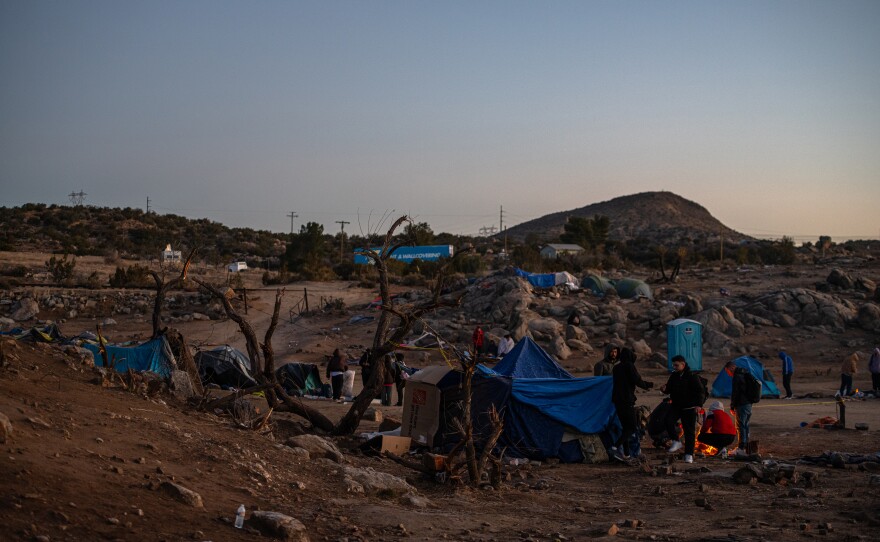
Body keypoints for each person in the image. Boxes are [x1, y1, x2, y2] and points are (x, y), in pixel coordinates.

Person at [611, 347, 653, 460]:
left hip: (617, 401)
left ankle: (627, 454)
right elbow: (637, 380)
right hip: (627, 401)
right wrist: (649, 385)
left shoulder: (616, 368)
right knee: (632, 428)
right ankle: (615, 447)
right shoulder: (629, 366)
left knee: (625, 428)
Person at [660, 355, 703, 464]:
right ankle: (676, 440)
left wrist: (698, 405)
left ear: (683, 364)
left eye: (676, 365)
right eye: (673, 365)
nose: (674, 367)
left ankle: (689, 454)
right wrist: (664, 390)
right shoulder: (674, 376)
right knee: (667, 421)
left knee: (689, 432)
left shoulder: (692, 376)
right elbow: (669, 388)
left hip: (689, 408)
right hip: (676, 406)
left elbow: (700, 391)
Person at [728, 361, 754, 456]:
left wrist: (732, 406)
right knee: (745, 425)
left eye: (728, 371)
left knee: (740, 425)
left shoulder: (737, 376)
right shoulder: (745, 373)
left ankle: (741, 448)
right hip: (749, 403)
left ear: (731, 368)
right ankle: (746, 446)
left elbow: (735, 392)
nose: (729, 374)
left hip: (741, 404)